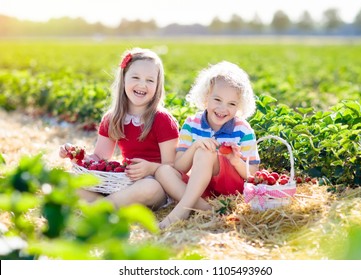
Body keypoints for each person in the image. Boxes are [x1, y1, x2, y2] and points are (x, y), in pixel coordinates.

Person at [59, 48, 179, 210]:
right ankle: (108, 205)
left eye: (150, 80)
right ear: (123, 79)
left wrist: (151, 168)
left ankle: (100, 208)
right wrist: (77, 156)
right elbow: (99, 158)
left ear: (158, 85)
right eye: (135, 77)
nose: (142, 85)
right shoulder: (113, 118)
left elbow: (172, 167)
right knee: (64, 180)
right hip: (123, 183)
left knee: (149, 188)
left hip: (156, 185)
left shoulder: (162, 119)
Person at [155, 61, 260, 228]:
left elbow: (253, 174)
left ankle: (182, 210)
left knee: (206, 152)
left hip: (229, 188)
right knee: (163, 171)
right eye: (217, 99)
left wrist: (235, 161)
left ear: (239, 106)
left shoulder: (243, 130)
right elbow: (180, 167)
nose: (222, 108)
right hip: (199, 189)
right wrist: (196, 145)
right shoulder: (191, 124)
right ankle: (208, 209)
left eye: (231, 104)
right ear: (205, 98)